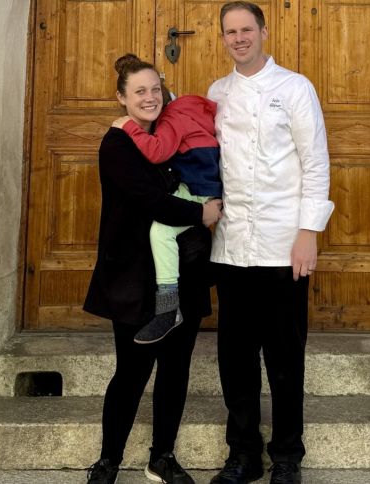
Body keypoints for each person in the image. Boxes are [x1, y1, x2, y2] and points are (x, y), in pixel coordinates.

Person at [206, 2, 334, 484]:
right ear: (223, 38)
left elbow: (315, 161)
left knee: (284, 358)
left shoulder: (295, 87)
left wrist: (308, 234)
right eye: (229, 32)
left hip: (285, 246)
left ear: (263, 31)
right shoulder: (217, 93)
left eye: (246, 29)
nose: (238, 38)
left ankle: (286, 457)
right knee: (235, 360)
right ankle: (243, 456)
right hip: (232, 246)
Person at [83, 53, 223, 484]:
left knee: (176, 370)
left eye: (154, 89)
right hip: (135, 279)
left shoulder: (172, 132)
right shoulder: (118, 143)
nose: (149, 98)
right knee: (132, 371)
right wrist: (201, 214)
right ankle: (109, 459)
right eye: (139, 91)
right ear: (122, 98)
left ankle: (162, 456)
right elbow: (152, 201)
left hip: (186, 270)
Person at [113, 93, 222, 344]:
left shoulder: (174, 119)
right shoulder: (196, 114)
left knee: (161, 232)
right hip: (203, 186)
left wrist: (128, 126)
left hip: (197, 189)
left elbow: (157, 151)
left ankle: (168, 307)